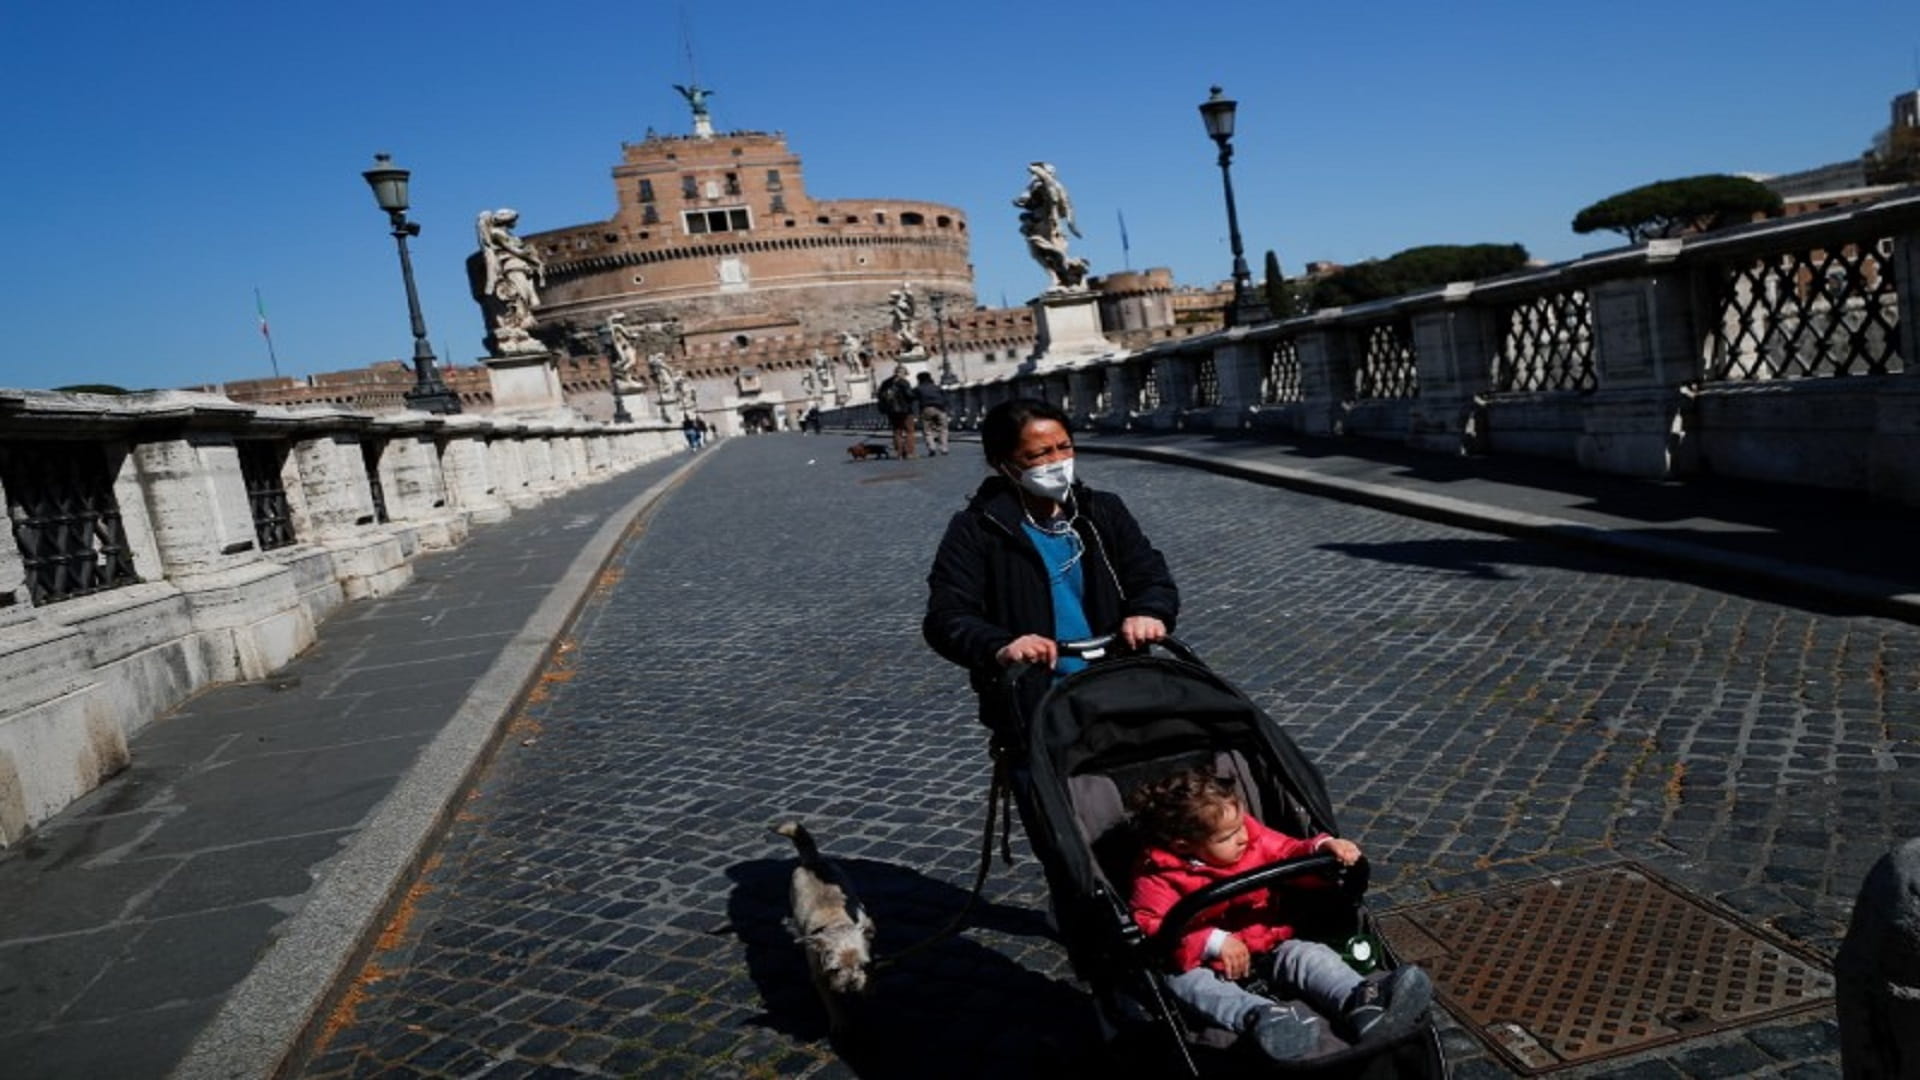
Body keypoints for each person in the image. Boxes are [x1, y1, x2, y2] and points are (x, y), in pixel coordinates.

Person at [1127, 766, 1433, 1061]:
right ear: (1184, 846)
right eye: (1226, 837)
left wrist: (1322, 848)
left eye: (1241, 825)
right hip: (1200, 962)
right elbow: (1152, 925)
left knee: (1308, 955)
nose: (1242, 838)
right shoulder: (1158, 875)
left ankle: (1359, 1000)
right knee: (1189, 987)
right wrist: (1213, 941)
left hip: (1266, 943)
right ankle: (1261, 1018)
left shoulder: (1251, 837)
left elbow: (1287, 850)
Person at [923, 397, 1178, 733]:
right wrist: (999, 645)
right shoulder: (977, 530)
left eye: (1064, 447)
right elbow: (947, 618)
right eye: (1039, 454)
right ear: (1003, 463)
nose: (1057, 462)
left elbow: (1151, 577)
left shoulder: (1102, 511)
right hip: (1038, 701)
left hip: (1121, 685)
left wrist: (1150, 611)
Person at [877, 364, 918, 460]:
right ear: (903, 373)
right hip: (905, 410)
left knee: (897, 432)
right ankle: (909, 453)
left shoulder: (886, 382)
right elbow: (909, 395)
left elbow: (880, 396)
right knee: (909, 431)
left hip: (891, 411)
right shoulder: (903, 382)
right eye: (905, 373)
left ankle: (899, 454)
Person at [913, 372, 951, 456]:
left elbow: (913, 399)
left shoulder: (918, 389)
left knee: (927, 430)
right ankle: (944, 448)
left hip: (926, 409)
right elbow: (945, 398)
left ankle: (932, 447)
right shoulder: (937, 387)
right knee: (943, 429)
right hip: (940, 408)